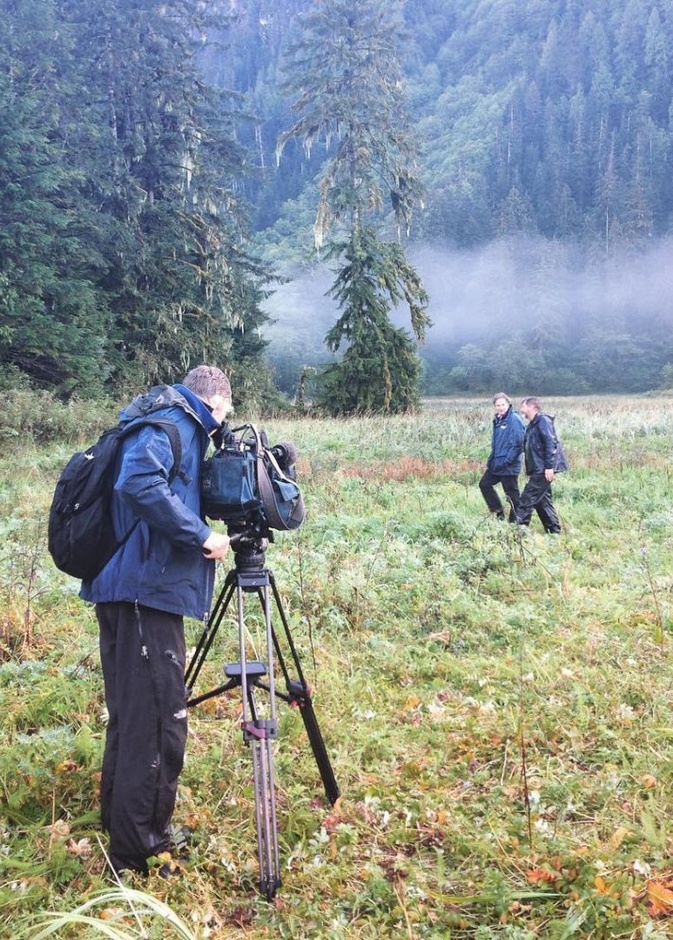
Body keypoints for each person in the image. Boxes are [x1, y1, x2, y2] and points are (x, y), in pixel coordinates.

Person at [80, 365, 233, 876]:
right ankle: (140, 848)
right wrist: (201, 535)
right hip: (146, 591)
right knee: (158, 717)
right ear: (215, 401)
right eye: (225, 414)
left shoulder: (159, 418)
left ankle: (121, 824)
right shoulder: (173, 423)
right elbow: (139, 483)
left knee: (131, 711)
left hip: (129, 587)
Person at [516, 396, 566, 534]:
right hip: (537, 469)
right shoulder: (531, 425)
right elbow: (526, 446)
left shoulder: (543, 420)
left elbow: (551, 443)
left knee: (527, 498)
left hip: (543, 469)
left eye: (523, 406)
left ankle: (519, 530)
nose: (521, 410)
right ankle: (554, 532)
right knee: (542, 502)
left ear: (533, 407)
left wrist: (549, 467)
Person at [478, 392, 525, 522]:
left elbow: (519, 443)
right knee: (484, 484)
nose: (500, 407)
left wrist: (507, 461)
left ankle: (515, 523)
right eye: (498, 405)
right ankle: (499, 513)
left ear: (508, 404)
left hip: (508, 465)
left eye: (503, 404)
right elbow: (497, 444)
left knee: (512, 496)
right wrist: (491, 460)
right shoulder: (498, 420)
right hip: (497, 463)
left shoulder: (514, 419)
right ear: (494, 406)